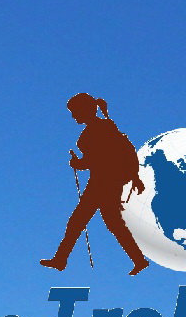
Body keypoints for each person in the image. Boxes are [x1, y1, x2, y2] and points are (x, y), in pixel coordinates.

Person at [45, 95, 155, 277]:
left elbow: (100, 159)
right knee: (109, 223)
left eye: (75, 112)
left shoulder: (98, 130)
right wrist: (80, 163)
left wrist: (78, 164)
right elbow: (102, 158)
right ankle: (139, 260)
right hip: (104, 183)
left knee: (80, 222)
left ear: (85, 110)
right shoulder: (103, 128)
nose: (73, 117)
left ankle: (60, 260)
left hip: (103, 184)